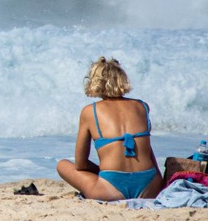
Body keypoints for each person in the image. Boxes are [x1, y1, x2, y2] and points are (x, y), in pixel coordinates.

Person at [55, 57, 161, 201]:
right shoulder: (142, 106)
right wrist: (159, 183)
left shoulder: (90, 111)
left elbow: (81, 163)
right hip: (149, 187)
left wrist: (105, 172)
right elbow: (147, 151)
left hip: (110, 189)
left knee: (62, 165)